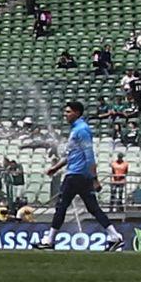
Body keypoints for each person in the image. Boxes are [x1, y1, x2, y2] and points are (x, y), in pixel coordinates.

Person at [48, 100, 113, 233]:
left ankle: (49, 239)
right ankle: (115, 235)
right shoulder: (76, 129)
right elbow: (71, 155)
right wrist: (56, 168)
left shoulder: (82, 130)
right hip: (80, 175)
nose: (64, 114)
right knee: (93, 208)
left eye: (68, 112)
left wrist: (95, 179)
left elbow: (89, 155)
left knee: (61, 206)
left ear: (76, 113)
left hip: (76, 174)